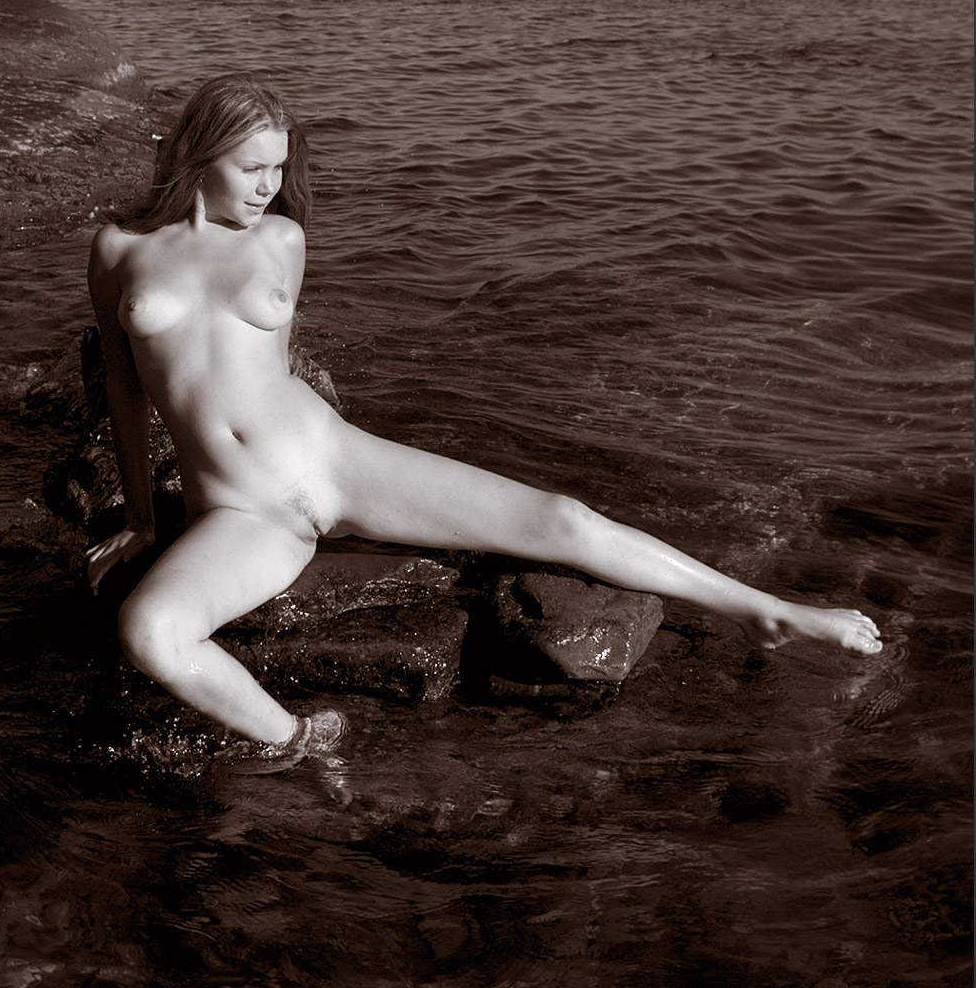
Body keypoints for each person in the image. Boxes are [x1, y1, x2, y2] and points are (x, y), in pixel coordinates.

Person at [87, 75, 882, 768]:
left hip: (333, 461)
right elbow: (123, 387)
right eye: (251, 168)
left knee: (562, 519)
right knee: (150, 631)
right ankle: (303, 742)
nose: (268, 186)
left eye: (279, 168)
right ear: (200, 154)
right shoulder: (121, 249)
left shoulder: (281, 239)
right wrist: (142, 521)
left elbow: (266, 364)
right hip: (242, 511)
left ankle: (763, 608)